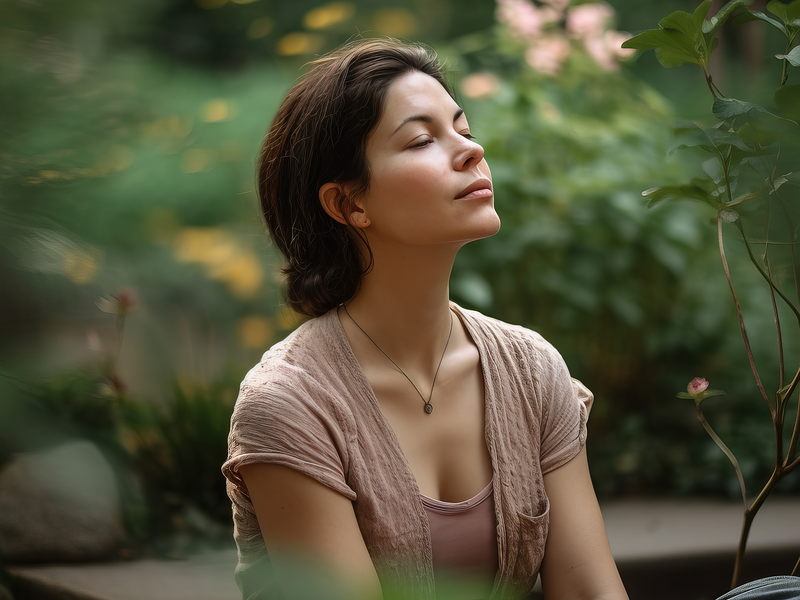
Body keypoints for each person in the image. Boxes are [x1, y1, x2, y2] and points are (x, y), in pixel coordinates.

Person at [221, 38, 800, 600]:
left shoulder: (529, 369)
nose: (471, 151)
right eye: (421, 140)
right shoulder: (293, 404)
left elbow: (588, 589)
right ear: (349, 205)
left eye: (465, 130)